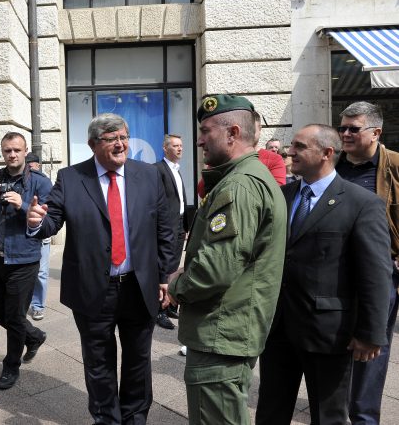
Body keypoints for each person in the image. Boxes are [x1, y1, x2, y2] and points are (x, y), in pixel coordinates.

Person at [27, 113, 176, 425]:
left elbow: (165, 229)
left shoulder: (148, 175)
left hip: (139, 286)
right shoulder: (70, 178)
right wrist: (38, 223)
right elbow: (52, 219)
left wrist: (165, 276)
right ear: (93, 144)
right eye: (112, 139)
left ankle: (135, 417)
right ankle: (107, 419)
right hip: (93, 288)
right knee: (99, 363)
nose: (121, 144)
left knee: (138, 361)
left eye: (123, 137)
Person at [255, 124, 392, 425]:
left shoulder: (361, 204)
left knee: (329, 417)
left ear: (327, 153)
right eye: (292, 145)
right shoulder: (282, 196)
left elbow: (376, 274)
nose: (291, 152)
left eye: (300, 147)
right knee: (269, 412)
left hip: (329, 335)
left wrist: (370, 333)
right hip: (278, 330)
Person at [165, 95, 287, 425]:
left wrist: (178, 285)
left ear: (232, 133)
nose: (200, 139)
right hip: (227, 330)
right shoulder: (246, 179)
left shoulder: (239, 186)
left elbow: (216, 269)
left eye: (206, 131)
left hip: (220, 333)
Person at [334, 101, 399, 424]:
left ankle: (364, 417)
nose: (344, 134)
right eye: (342, 127)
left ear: (376, 132)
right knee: (337, 341)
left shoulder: (395, 167)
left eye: (353, 128)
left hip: (379, 272)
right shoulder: (331, 166)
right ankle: (336, 407)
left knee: (373, 346)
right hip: (333, 271)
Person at [0, 132, 52, 390]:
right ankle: (34, 336)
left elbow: (50, 222)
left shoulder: (40, 182)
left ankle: (11, 367)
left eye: (16, 150)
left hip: (24, 259)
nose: (12, 155)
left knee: (15, 317)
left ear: (25, 150)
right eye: (7, 151)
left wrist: (23, 205)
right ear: (2, 152)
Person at [154, 134, 186, 330]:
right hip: (166, 226)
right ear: (165, 149)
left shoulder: (177, 170)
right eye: (175, 146)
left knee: (174, 267)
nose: (180, 149)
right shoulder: (157, 170)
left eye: (181, 145)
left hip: (180, 224)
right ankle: (159, 309)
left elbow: (180, 199)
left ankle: (170, 303)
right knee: (164, 268)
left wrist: (186, 225)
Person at [25, 152, 50, 321]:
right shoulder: (21, 180)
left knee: (41, 272)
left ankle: (38, 305)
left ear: (38, 165)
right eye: (28, 166)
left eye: (32, 165)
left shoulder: (44, 181)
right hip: (24, 234)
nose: (30, 169)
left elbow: (50, 208)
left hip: (40, 234)